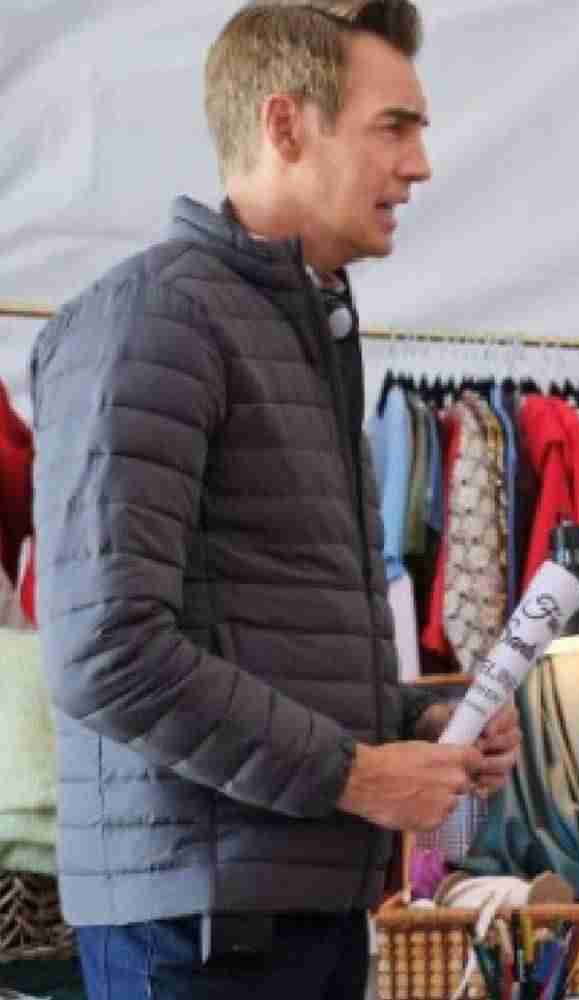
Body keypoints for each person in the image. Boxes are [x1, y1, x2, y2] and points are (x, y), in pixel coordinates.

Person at [29, 2, 521, 998]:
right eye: (394, 127)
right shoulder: (154, 321)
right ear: (286, 124)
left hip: (284, 918)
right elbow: (105, 652)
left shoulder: (297, 330)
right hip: (200, 939)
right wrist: (358, 775)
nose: (421, 164)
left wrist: (415, 725)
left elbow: (253, 634)